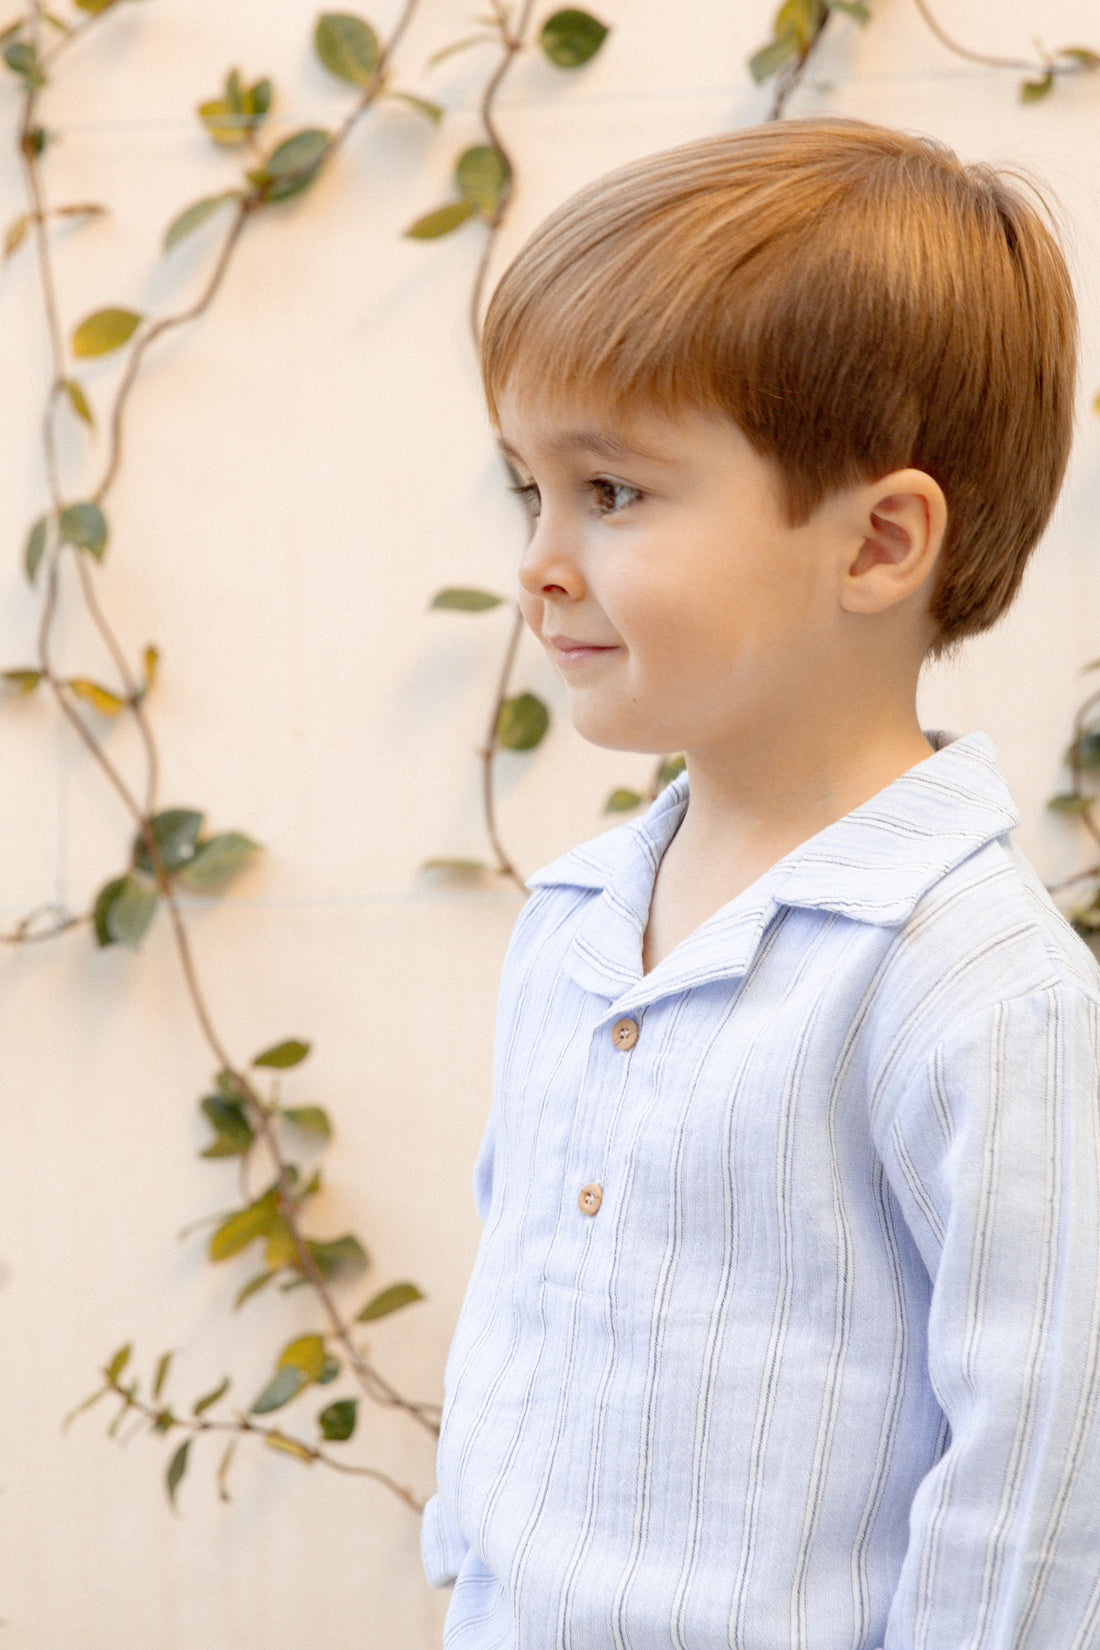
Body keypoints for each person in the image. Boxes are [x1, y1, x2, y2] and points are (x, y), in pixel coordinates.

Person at [422, 118, 1100, 1649]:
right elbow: (522, 1304)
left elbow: (1043, 1481)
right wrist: (465, 1566)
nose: (539, 560)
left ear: (878, 542)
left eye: (612, 493)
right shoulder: (579, 919)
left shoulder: (976, 988)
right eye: (528, 488)